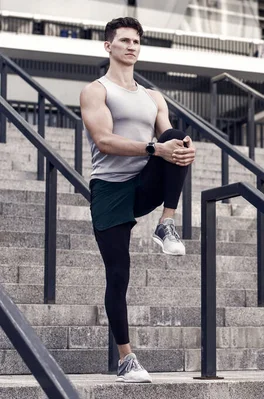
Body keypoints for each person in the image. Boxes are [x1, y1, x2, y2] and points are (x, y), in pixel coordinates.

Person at [79, 17, 196, 383]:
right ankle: (126, 359)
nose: (132, 46)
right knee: (118, 274)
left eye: (136, 42)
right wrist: (153, 148)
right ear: (108, 46)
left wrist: (182, 150)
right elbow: (104, 141)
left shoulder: (153, 97)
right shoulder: (95, 91)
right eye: (125, 40)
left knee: (178, 137)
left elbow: (167, 142)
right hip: (110, 190)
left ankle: (166, 223)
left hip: (143, 183)